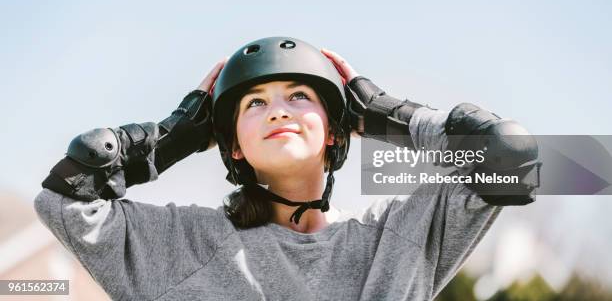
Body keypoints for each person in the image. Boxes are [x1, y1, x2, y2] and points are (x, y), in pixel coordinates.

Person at [34, 36, 541, 300]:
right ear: (231, 146)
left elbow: (510, 157)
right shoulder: (182, 245)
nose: (278, 110)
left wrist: (390, 119)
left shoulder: (397, 238)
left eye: (299, 96)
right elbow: (66, 198)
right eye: (253, 103)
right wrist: (170, 138)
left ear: (339, 131)